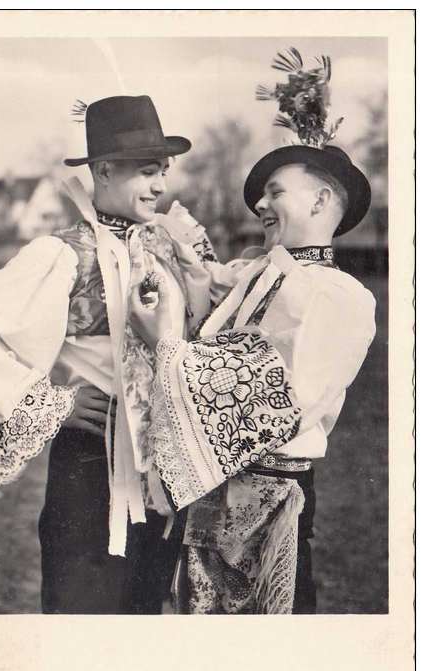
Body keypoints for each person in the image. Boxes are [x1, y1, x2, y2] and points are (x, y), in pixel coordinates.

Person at [129, 54, 377, 614]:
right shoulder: (254, 275)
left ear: (319, 199)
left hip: (269, 501)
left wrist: (168, 339)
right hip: (213, 494)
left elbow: (272, 395)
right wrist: (192, 285)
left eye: (274, 191)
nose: (260, 204)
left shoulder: (338, 297)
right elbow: (214, 328)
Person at [0, 95, 216, 614]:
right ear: (105, 171)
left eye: (162, 171)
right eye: (145, 171)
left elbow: (191, 351)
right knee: (82, 612)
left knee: (144, 615)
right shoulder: (62, 253)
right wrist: (51, 404)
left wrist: (196, 279)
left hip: (162, 476)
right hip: (89, 468)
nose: (159, 185)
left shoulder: (167, 252)